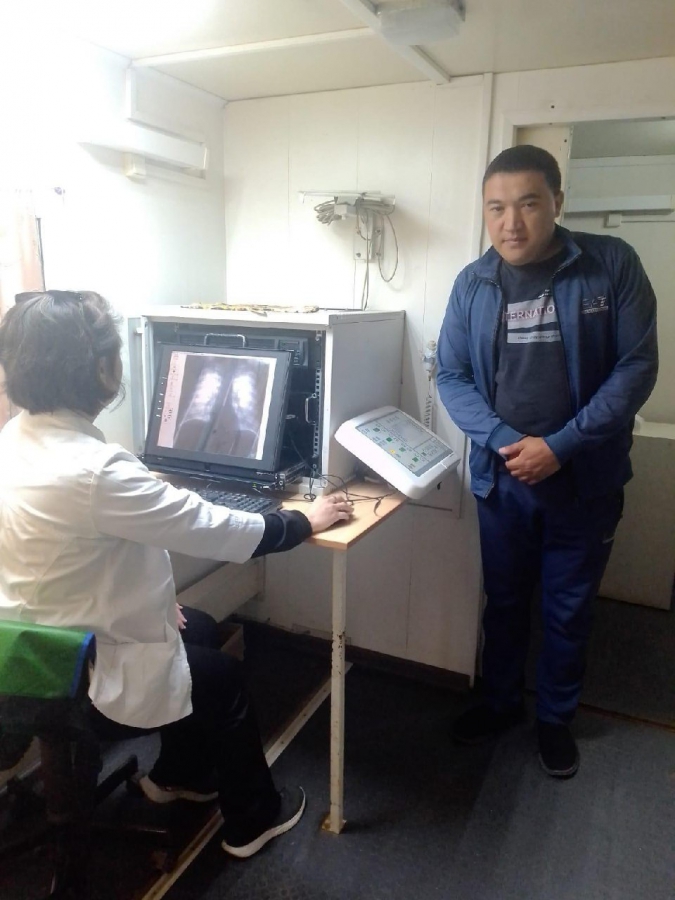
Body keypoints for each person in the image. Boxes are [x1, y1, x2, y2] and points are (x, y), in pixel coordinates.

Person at [0, 290, 352, 857]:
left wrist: (157, 601)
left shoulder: (13, 440)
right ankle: (254, 821)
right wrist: (300, 521)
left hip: (27, 654)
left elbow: (65, 559)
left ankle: (179, 774)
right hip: (80, 674)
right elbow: (219, 530)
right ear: (100, 370)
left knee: (201, 627)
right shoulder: (97, 470)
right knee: (222, 679)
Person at [436, 145, 658, 778]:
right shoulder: (472, 283)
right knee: (504, 603)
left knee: (568, 608)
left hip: (584, 481)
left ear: (557, 202)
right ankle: (501, 703)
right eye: (496, 208)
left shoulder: (611, 264)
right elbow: (451, 376)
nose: (511, 223)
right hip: (504, 481)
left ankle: (555, 719)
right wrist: (509, 442)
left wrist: (560, 446)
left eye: (528, 204)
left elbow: (636, 368)